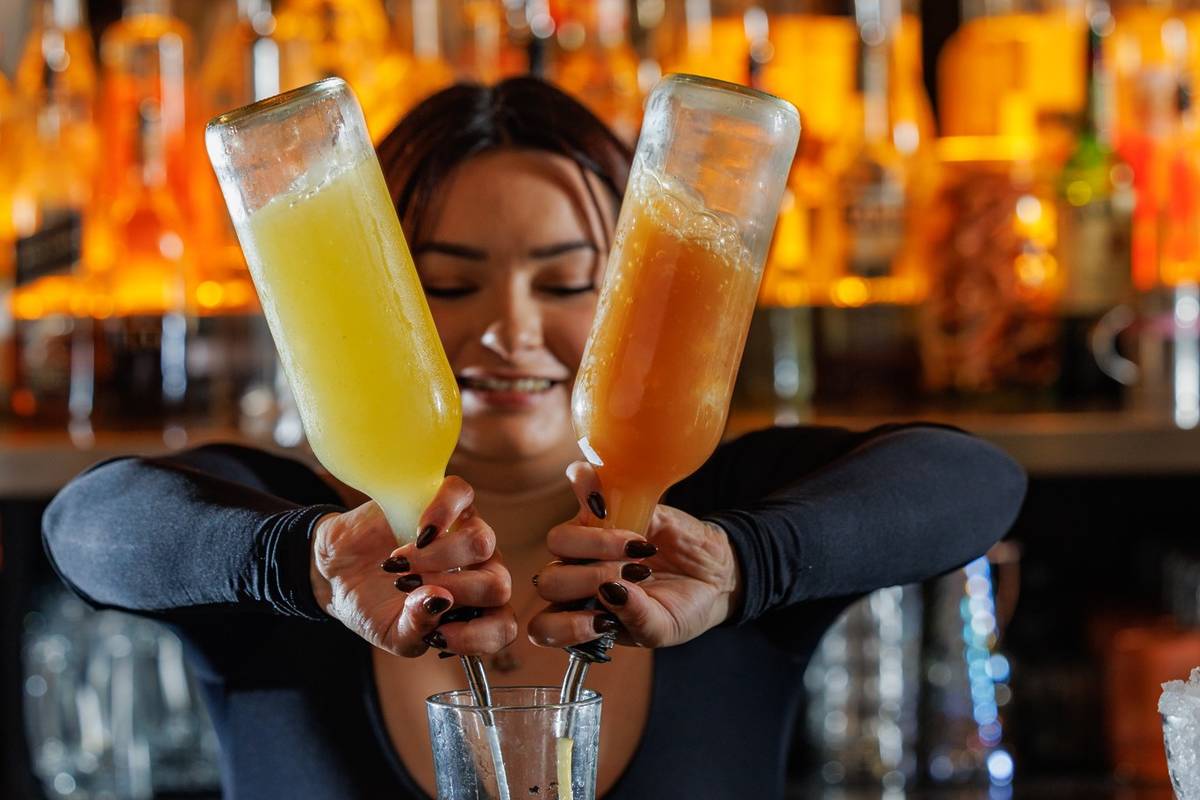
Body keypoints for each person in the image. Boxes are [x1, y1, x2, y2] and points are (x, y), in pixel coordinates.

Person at [42, 78, 1026, 799]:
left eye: (565, 282)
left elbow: (976, 481)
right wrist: (290, 562)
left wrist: (749, 563)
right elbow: (86, 525)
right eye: (447, 283)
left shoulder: (719, 525)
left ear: (639, 286)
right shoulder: (294, 544)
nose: (510, 329)